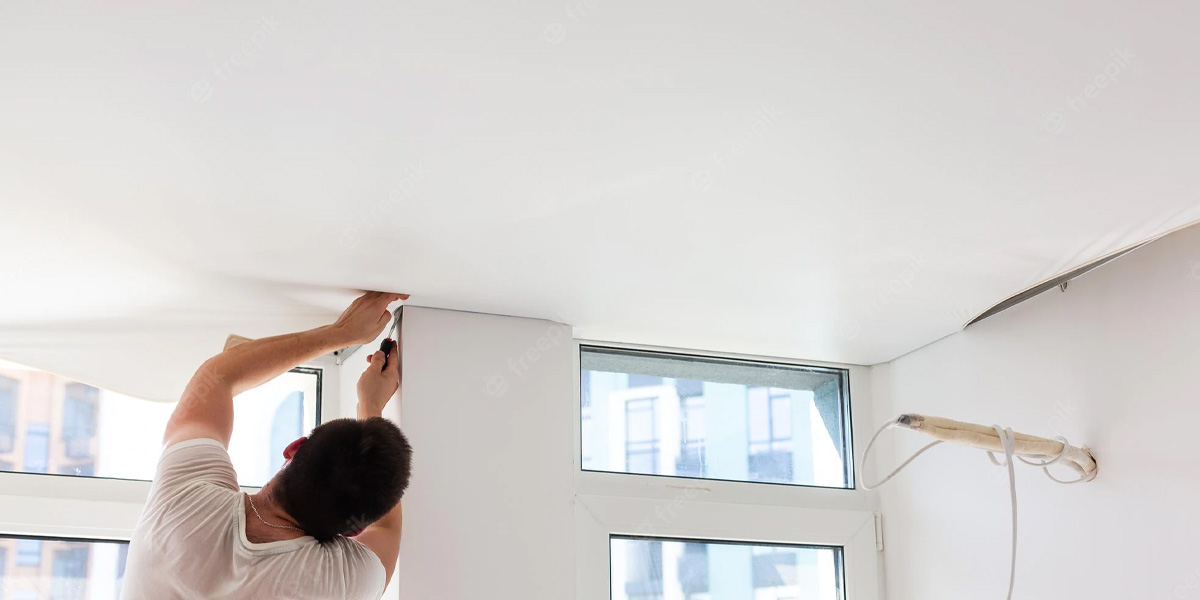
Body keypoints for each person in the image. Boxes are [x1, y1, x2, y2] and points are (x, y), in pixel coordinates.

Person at [120, 291, 413, 599]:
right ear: (353, 531)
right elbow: (386, 531)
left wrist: (342, 332)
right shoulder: (338, 582)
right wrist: (371, 408)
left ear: (294, 448)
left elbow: (217, 376)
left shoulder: (185, 505)